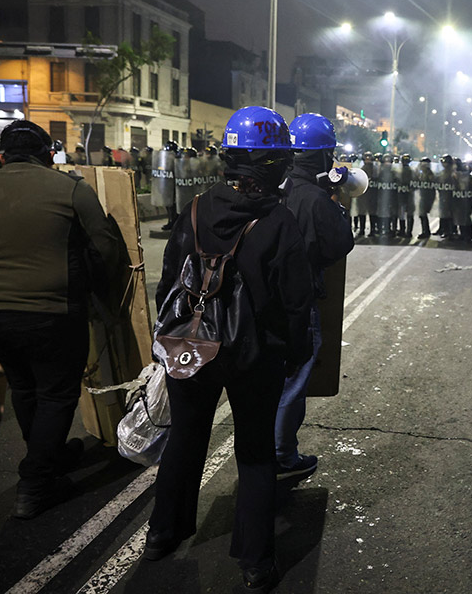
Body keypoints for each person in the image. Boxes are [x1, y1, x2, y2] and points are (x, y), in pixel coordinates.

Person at [145, 106, 313, 594]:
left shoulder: (195, 209)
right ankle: (255, 563)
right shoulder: (279, 222)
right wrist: (293, 352)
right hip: (252, 356)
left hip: (191, 348)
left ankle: (161, 534)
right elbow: (297, 303)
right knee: (256, 454)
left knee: (186, 438)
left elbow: (169, 283)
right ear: (274, 164)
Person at [0, 120, 119, 518]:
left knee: (24, 388)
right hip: (51, 310)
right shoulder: (69, 188)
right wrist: (103, 295)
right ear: (48, 153)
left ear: (1, 154)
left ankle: (46, 455)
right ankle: (36, 480)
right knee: (57, 393)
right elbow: (104, 247)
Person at [275, 112, 354, 485]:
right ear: (323, 156)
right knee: (294, 380)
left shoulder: (277, 186)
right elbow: (340, 244)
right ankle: (282, 456)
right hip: (298, 303)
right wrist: (336, 202)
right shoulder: (315, 198)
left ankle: (264, 450)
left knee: (270, 380)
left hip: (263, 300)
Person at [416, 156, 436, 239]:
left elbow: (432, 185)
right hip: (422, 195)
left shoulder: (429, 174)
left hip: (427, 196)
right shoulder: (420, 173)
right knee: (421, 214)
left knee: (423, 214)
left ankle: (426, 231)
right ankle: (425, 231)